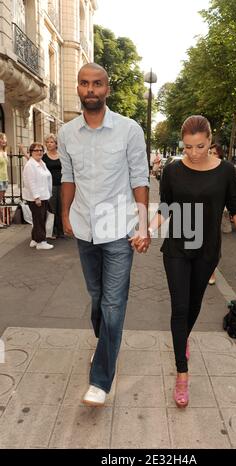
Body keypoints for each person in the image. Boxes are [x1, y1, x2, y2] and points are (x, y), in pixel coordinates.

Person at [133, 115, 236, 408]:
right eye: (187, 146)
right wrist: (148, 230)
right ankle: (182, 374)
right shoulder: (173, 171)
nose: (193, 153)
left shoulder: (225, 171)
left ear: (210, 142)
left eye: (199, 146)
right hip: (176, 247)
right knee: (179, 308)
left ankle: (182, 338)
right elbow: (166, 207)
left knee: (195, 304)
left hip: (207, 250)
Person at [58, 63, 150, 407]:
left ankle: (100, 379)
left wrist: (142, 226)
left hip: (119, 231)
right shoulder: (67, 133)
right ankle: (106, 348)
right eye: (84, 83)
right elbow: (68, 176)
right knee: (97, 299)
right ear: (78, 88)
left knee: (113, 303)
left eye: (97, 84)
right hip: (84, 228)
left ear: (107, 89)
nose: (90, 89)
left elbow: (140, 179)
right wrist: (65, 213)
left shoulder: (128, 130)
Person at [208, 143, 232, 285]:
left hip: (216, 215)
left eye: (214, 153)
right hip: (201, 213)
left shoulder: (224, 171)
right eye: (209, 152)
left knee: (213, 246)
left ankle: (211, 272)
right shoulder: (203, 168)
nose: (211, 155)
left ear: (220, 155)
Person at [22, 142, 54, 250]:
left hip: (44, 195)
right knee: (40, 219)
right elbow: (31, 182)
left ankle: (35, 239)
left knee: (38, 219)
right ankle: (41, 242)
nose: (39, 152)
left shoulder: (41, 162)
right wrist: (36, 197)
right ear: (31, 152)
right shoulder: (30, 165)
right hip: (37, 198)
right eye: (36, 150)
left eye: (41, 150)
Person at [43, 134, 64, 239]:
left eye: (51, 142)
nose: (49, 144)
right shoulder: (44, 157)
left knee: (62, 207)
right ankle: (52, 231)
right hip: (50, 186)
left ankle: (62, 230)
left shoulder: (62, 155)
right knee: (52, 209)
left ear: (56, 144)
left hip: (63, 185)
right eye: (47, 142)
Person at [0, 133, 9, 229]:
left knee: (1, 201)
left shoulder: (4, 151)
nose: (4, 140)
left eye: (5, 139)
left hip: (4, 179)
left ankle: (1, 220)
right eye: (2, 139)